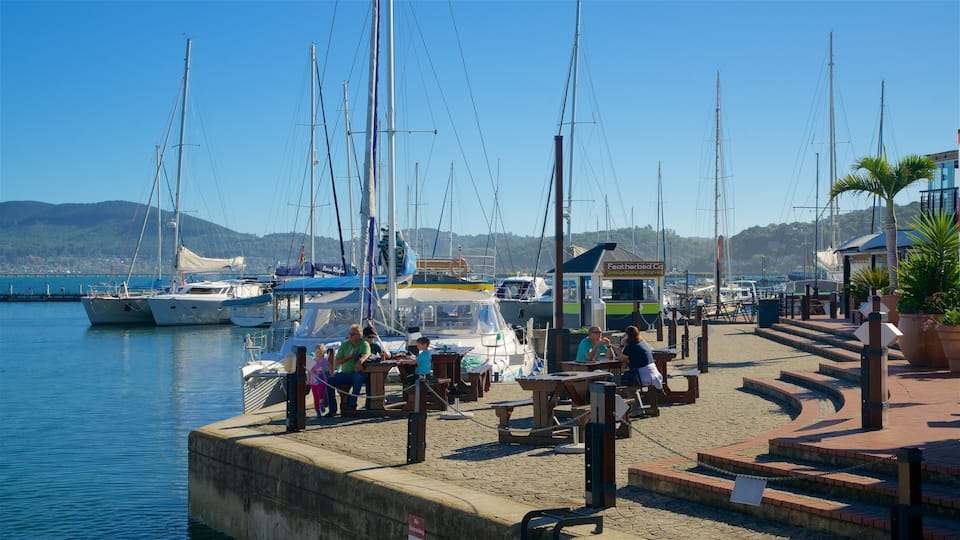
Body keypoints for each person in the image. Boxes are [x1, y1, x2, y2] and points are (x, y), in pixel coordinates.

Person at [325, 323, 370, 416]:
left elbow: (366, 354)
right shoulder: (345, 345)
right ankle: (332, 409)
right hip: (345, 373)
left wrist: (360, 361)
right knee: (329, 381)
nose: (350, 336)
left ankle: (352, 404)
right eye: (350, 334)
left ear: (360, 335)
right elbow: (337, 361)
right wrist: (349, 357)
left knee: (358, 377)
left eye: (353, 334)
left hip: (356, 373)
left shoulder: (364, 344)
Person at [618, 325, 664, 391]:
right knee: (628, 381)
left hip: (642, 377)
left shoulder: (631, 346)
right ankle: (636, 400)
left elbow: (619, 358)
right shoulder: (643, 343)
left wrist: (622, 345)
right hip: (654, 375)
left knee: (612, 380)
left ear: (627, 336)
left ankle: (632, 400)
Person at [361, 326, 387, 407]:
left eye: (373, 337)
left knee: (379, 379)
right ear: (364, 336)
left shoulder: (375, 346)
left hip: (374, 369)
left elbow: (382, 355)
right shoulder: (361, 345)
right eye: (369, 337)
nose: (371, 339)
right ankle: (369, 404)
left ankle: (378, 402)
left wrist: (383, 356)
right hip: (363, 370)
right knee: (370, 383)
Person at [307, 344, 330, 417]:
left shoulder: (325, 361)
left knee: (321, 394)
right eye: (317, 353)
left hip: (322, 381)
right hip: (313, 382)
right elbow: (308, 372)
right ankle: (317, 411)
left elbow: (328, 370)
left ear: (323, 353)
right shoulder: (312, 361)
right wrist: (308, 381)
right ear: (315, 353)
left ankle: (322, 404)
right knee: (315, 397)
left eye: (320, 353)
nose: (318, 355)